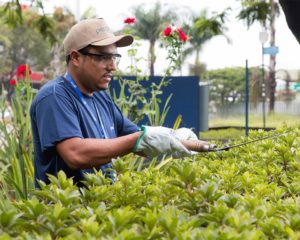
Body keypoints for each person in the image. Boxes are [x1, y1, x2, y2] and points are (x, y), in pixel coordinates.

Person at [30, 18, 213, 188]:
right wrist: (140, 139)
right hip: (65, 214)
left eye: (114, 57)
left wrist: (175, 139)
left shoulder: (100, 98)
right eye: (102, 57)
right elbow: (75, 154)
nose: (113, 66)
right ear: (76, 57)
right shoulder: (55, 97)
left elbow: (137, 140)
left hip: (100, 208)